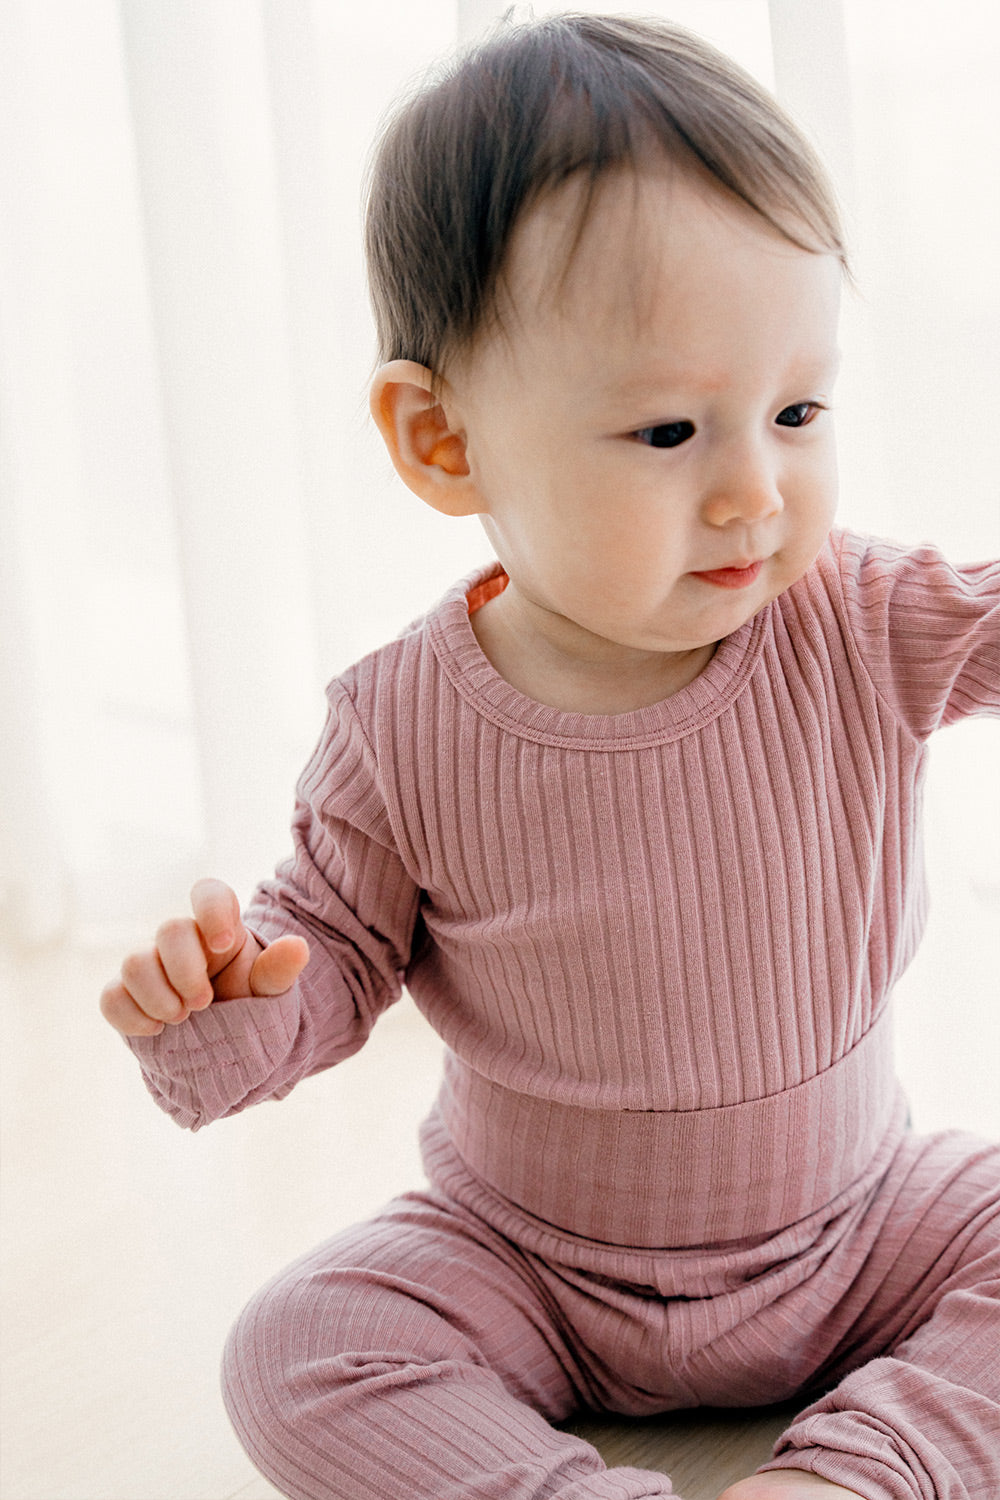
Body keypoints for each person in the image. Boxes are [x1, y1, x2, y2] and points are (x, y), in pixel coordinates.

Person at [100, 14, 1000, 1500]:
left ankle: (867, 1467)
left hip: (864, 1225)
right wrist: (229, 1010)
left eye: (796, 412)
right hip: (528, 1262)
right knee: (294, 1346)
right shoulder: (401, 720)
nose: (755, 493)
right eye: (666, 431)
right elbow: (324, 950)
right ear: (444, 442)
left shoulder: (860, 616)